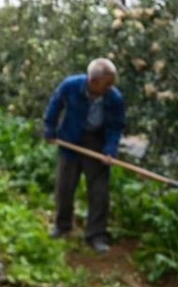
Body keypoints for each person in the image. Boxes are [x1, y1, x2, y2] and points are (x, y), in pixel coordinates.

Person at [43, 58, 126, 254]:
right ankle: (62, 226)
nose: (110, 88)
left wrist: (110, 150)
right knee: (65, 186)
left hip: (97, 142)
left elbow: (116, 127)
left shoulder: (114, 98)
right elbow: (55, 105)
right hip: (70, 138)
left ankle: (96, 234)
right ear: (93, 82)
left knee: (99, 191)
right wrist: (50, 129)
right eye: (107, 84)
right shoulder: (70, 86)